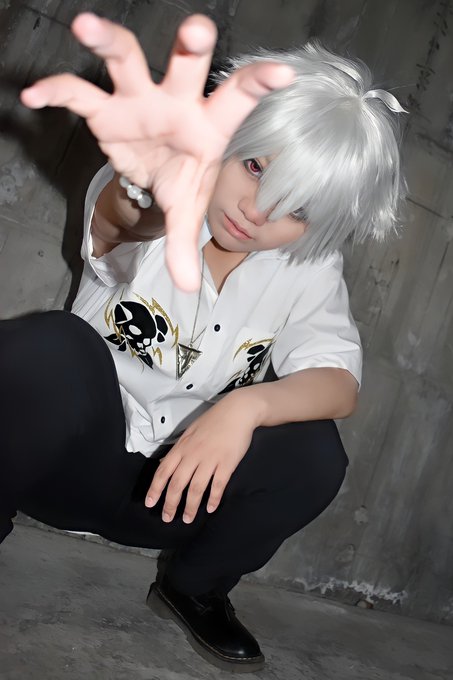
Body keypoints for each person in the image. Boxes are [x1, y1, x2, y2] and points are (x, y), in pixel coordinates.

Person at [1, 12, 405, 673]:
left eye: (298, 209)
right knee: (50, 347)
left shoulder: (306, 268)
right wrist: (143, 188)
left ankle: (195, 586)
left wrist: (245, 407)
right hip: (62, 468)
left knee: (314, 453)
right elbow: (120, 220)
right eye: (254, 167)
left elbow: (339, 381)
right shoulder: (165, 196)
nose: (257, 211)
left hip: (174, 496)